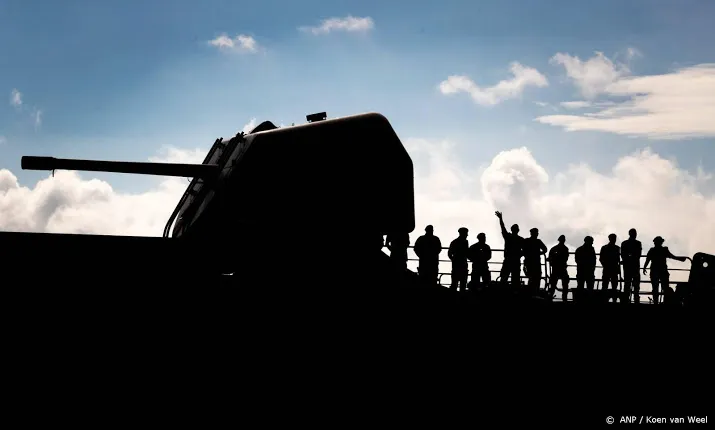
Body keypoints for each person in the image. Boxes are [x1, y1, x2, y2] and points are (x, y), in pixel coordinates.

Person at [643, 236, 691, 305]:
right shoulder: (663, 250)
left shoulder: (653, 250)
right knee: (664, 288)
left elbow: (647, 260)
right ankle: (665, 302)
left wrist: (644, 268)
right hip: (661, 271)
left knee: (657, 288)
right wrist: (680, 259)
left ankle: (657, 303)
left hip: (656, 271)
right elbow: (672, 256)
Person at [495, 211, 523, 286]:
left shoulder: (508, 237)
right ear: (518, 230)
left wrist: (500, 219)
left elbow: (502, 227)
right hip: (515, 261)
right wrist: (520, 254)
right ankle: (514, 291)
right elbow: (525, 249)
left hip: (509, 260)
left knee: (504, 278)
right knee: (515, 279)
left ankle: (503, 290)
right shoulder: (520, 239)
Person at [621, 228, 642, 303]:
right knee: (635, 285)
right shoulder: (638, 243)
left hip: (628, 266)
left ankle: (626, 300)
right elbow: (638, 255)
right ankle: (635, 300)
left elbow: (623, 255)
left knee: (628, 284)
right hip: (634, 266)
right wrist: (632, 257)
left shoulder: (624, 243)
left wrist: (628, 258)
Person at [547, 235, 570, 301]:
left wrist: (553, 260)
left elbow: (550, 258)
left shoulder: (554, 248)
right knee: (564, 283)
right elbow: (565, 258)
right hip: (560, 268)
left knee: (554, 284)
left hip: (556, 269)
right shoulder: (565, 249)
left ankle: (550, 297)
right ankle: (564, 298)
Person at [599, 234, 621, 300]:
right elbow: (618, 260)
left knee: (608, 285)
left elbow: (601, 259)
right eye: (613, 238)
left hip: (609, 269)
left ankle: (604, 300)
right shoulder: (617, 248)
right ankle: (612, 300)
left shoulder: (605, 248)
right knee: (611, 285)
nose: (614, 240)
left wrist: (605, 266)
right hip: (611, 269)